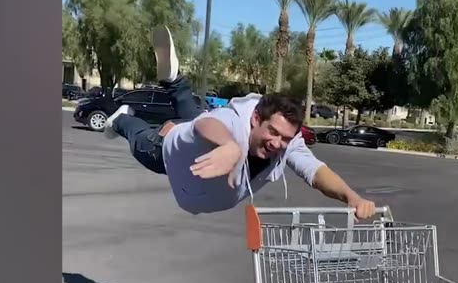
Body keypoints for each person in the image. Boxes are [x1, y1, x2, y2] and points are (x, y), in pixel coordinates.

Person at [101, 27, 377, 219]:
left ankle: (174, 81)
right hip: (169, 156)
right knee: (141, 141)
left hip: (196, 152)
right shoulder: (235, 121)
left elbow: (316, 172)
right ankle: (121, 118)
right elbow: (206, 126)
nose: (276, 143)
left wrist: (351, 197)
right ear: (256, 118)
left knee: (193, 116)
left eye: (284, 138)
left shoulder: (285, 142)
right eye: (272, 132)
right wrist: (230, 146)